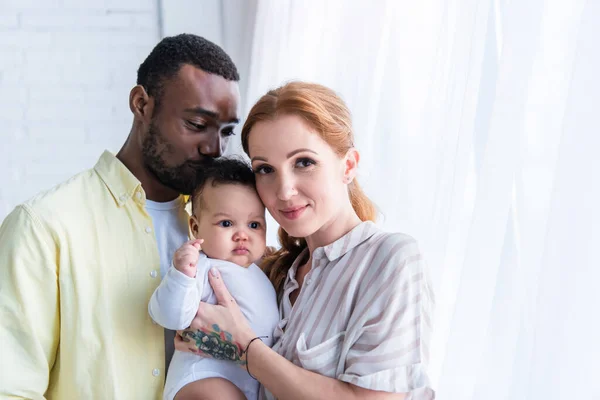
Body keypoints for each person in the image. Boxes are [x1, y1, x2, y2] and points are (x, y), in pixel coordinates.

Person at [0, 34, 241, 399]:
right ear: (141, 103)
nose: (214, 148)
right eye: (196, 124)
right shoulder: (43, 226)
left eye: (225, 132)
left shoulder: (226, 228)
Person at [175, 81, 436, 399]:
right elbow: (190, 338)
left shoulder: (390, 260)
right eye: (266, 169)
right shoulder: (271, 275)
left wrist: (247, 350)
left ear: (349, 165)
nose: (284, 191)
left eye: (304, 162)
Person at [148, 158, 278, 400]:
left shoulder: (261, 271)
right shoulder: (201, 267)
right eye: (226, 223)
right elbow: (167, 315)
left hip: (251, 382)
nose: (242, 235)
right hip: (203, 377)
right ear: (195, 228)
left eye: (254, 224)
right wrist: (181, 276)